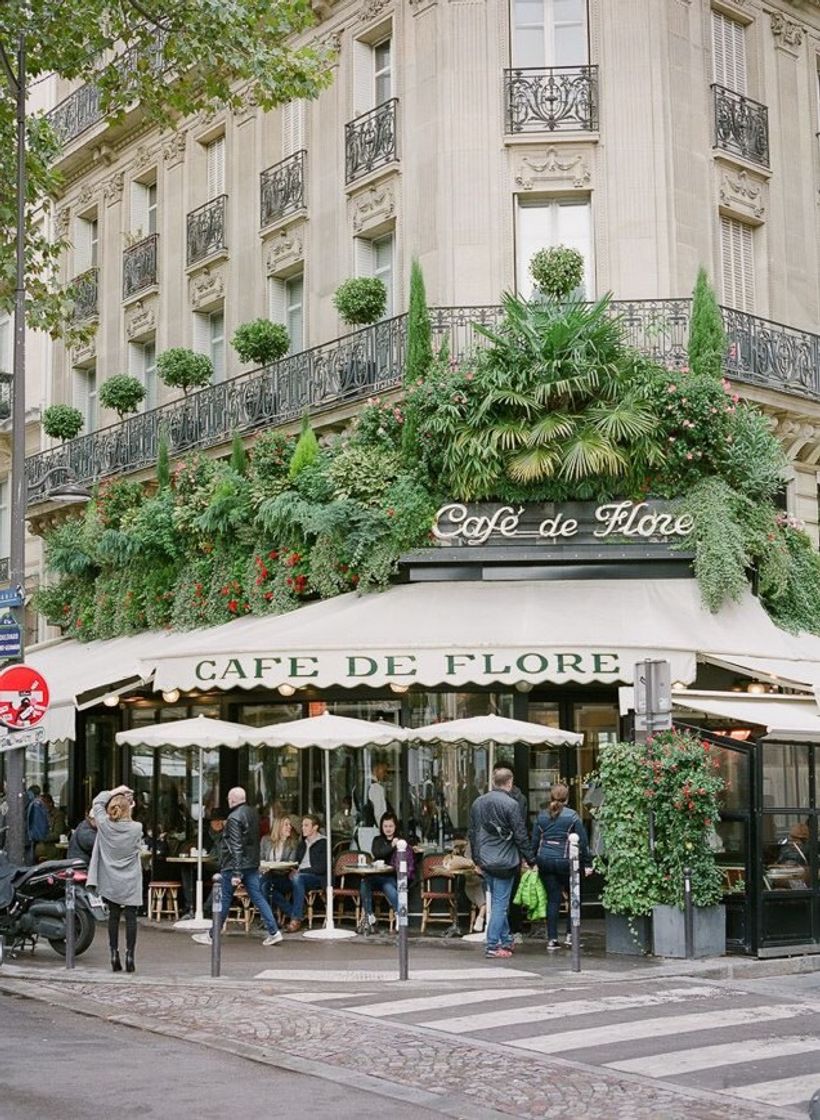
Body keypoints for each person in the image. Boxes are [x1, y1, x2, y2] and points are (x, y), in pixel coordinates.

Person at [192, 787, 283, 947]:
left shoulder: (234, 818)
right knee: (258, 897)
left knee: (224, 899)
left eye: (228, 798)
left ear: (232, 799)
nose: (227, 801)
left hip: (234, 865)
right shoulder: (252, 813)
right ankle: (274, 931)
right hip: (252, 864)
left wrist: (236, 872)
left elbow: (236, 846)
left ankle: (213, 935)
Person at [469, 768, 535, 959]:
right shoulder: (512, 804)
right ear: (510, 782)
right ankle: (491, 945)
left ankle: (506, 940)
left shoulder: (478, 803)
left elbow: (472, 833)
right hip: (505, 861)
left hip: (485, 860)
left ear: (493, 781)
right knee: (500, 905)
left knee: (498, 902)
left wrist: (476, 860)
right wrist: (531, 859)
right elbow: (521, 835)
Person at [87, 785, 144, 973]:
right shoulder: (137, 828)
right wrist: (129, 807)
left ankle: (113, 953)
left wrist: (113, 792)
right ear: (129, 808)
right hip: (131, 879)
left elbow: (97, 802)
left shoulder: (104, 825)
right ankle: (130, 956)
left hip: (111, 878)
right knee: (131, 916)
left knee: (113, 915)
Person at [532, 782, 592, 950]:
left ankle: (552, 939)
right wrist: (587, 863)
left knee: (553, 899)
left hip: (545, 861)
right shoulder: (572, 816)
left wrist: (531, 861)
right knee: (574, 898)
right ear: (567, 797)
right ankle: (571, 935)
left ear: (551, 796)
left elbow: (535, 841)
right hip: (567, 863)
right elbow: (583, 842)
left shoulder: (542, 816)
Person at [358, 812, 415, 935]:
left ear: (395, 827)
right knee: (364, 882)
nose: (388, 829)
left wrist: (395, 845)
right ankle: (369, 915)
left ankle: (400, 914)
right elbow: (378, 853)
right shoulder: (378, 840)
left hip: (392, 876)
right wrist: (391, 845)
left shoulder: (401, 842)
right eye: (385, 826)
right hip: (377, 875)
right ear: (381, 827)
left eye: (391, 826)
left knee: (388, 886)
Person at [272, 814, 328, 933]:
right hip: (298, 876)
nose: (302, 828)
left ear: (315, 827)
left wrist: (300, 871)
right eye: (302, 825)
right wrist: (292, 869)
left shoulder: (324, 843)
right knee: (269, 884)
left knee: (298, 878)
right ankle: (294, 912)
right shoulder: (302, 844)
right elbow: (296, 863)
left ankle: (295, 919)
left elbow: (322, 868)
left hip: (316, 878)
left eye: (306, 825)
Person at [261, 815, 299, 909]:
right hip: (267, 875)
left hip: (284, 877)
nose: (290, 827)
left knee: (264, 887)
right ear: (278, 827)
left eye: (290, 824)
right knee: (264, 885)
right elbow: (260, 859)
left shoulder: (293, 843)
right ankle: (291, 915)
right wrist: (262, 867)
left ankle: (269, 920)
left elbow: (291, 863)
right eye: (286, 825)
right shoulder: (266, 840)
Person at [24, 786, 49, 865]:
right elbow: (40, 832)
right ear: (38, 794)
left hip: (26, 841)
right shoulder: (37, 804)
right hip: (32, 841)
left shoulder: (24, 801)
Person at [365, 760, 393, 827]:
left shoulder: (359, 786)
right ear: (375, 769)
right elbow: (379, 813)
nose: (385, 774)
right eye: (384, 771)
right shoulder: (377, 788)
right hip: (374, 829)